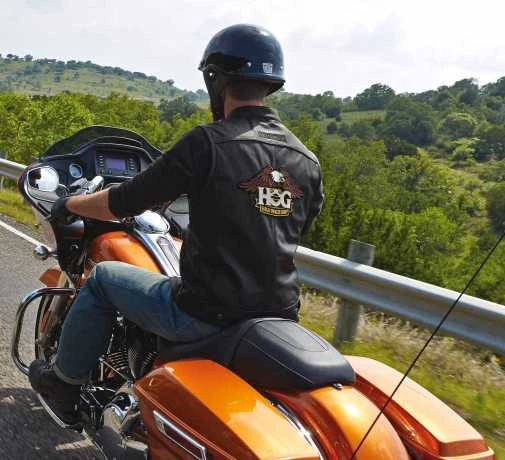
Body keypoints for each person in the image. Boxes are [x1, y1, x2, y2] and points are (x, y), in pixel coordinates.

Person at [29, 23, 324, 424]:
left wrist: (72, 203)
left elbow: (123, 202)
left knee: (103, 279)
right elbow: (293, 225)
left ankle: (64, 384)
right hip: (277, 316)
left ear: (215, 80)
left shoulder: (208, 142)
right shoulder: (306, 160)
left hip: (204, 313)